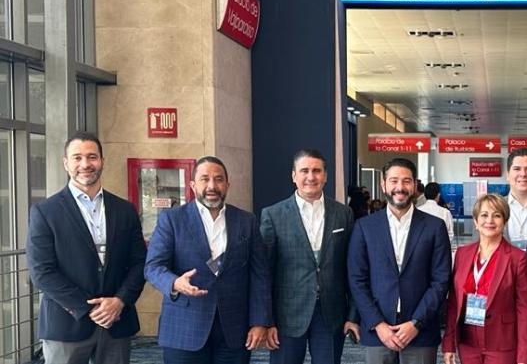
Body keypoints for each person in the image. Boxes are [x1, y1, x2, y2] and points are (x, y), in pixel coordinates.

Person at [27, 132, 147, 364]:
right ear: (66, 163)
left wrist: (120, 301)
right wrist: (88, 308)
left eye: (92, 157)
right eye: (77, 157)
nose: (85, 164)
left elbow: (139, 263)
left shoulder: (125, 210)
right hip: (66, 324)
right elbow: (41, 271)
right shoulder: (45, 212)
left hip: (117, 322)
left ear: (102, 161)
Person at [145, 156, 271, 363]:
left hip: (233, 330)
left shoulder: (246, 221)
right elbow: (153, 267)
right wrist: (175, 283)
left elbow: (259, 276)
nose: (212, 186)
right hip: (185, 327)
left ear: (227, 185)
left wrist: (259, 321)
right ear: (193, 185)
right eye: (205, 179)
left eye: (218, 179)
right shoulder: (172, 219)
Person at [259, 149, 360, 364]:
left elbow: (351, 269)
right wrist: (266, 321)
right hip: (286, 315)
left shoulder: (343, 213)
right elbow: (264, 273)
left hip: (331, 315)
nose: (311, 177)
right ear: (294, 176)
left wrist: (353, 315)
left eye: (316, 171)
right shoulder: (273, 215)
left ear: (325, 175)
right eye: (304, 171)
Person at [347, 158, 451, 364]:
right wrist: (378, 324)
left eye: (406, 181)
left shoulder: (434, 226)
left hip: (420, 331)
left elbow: (441, 280)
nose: (400, 187)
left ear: (414, 186)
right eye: (394, 181)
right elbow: (356, 280)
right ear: (384, 184)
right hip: (378, 331)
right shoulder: (364, 227)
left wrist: (416, 323)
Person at [442, 194, 527, 364]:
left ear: (504, 222)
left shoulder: (518, 258)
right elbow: (454, 302)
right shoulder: (463, 254)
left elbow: (525, 310)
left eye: (497, 215)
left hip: (501, 343)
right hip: (468, 342)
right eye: (484, 215)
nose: (490, 220)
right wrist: (449, 343)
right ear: (476, 222)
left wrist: (524, 357)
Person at [417, 182, 455, 247]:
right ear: (438, 195)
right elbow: (450, 234)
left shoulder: (417, 211)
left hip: (421, 248)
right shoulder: (445, 212)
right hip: (440, 248)